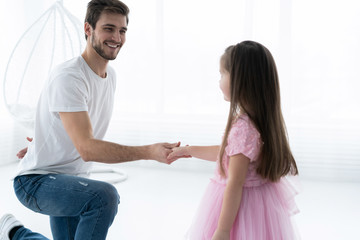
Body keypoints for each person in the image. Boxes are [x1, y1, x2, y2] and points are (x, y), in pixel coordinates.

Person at [0, 0, 179, 240]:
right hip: (37, 182)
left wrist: (46, 141)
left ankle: (16, 232)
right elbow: (87, 148)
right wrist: (149, 151)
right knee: (103, 197)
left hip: (71, 179)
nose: (116, 37)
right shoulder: (70, 77)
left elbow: (70, 128)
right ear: (88, 29)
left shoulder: (110, 76)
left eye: (122, 30)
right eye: (108, 28)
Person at [167, 41, 300, 240]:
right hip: (260, 205)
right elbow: (230, 153)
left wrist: (223, 230)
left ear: (240, 79)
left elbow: (235, 182)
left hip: (240, 209)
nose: (219, 80)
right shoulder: (259, 119)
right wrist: (188, 150)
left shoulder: (243, 127)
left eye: (222, 74)